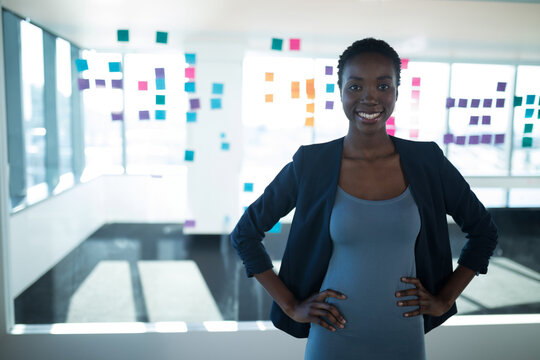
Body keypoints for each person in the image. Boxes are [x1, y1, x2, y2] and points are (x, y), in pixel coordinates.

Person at [231, 38, 498, 359]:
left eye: (383, 85)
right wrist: (290, 304)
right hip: (332, 338)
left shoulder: (427, 161)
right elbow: (245, 233)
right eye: (355, 87)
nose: (370, 98)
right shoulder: (311, 164)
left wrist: (444, 298)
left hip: (404, 337)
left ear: (397, 91)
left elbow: (484, 232)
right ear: (340, 91)